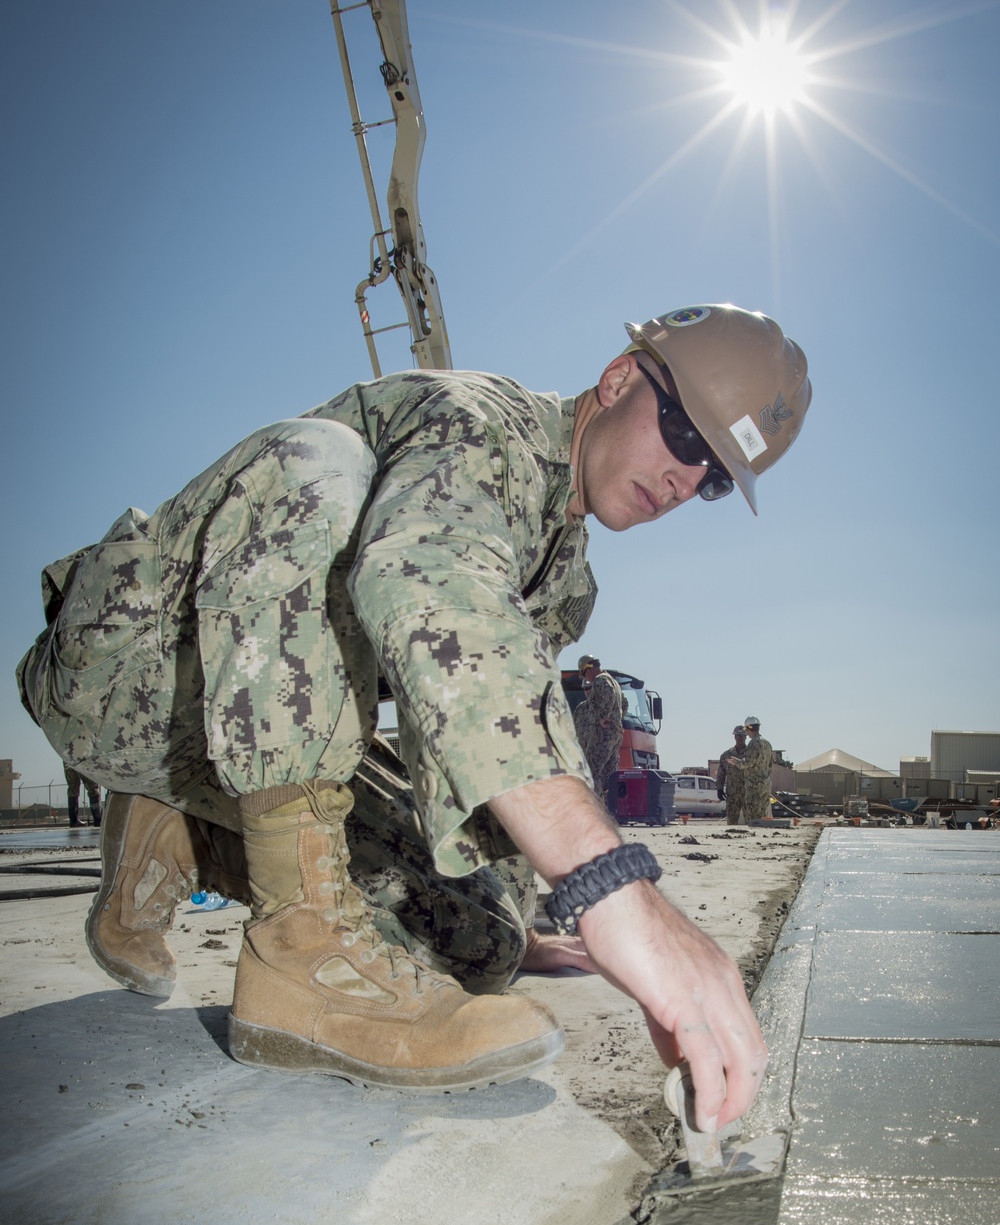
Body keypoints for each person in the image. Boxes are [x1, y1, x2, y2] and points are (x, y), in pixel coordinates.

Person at [16, 302, 810, 1130]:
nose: (686, 480)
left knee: (479, 944)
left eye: (713, 478)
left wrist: (530, 914)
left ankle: (176, 822)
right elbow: (430, 578)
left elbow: (477, 721)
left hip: (251, 733)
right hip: (132, 674)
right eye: (685, 436)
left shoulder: (566, 577)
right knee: (313, 461)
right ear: (618, 380)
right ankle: (300, 948)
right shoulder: (477, 424)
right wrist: (613, 890)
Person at [572, 655, 623, 812]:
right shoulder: (613, 681)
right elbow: (624, 704)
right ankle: (608, 810)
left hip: (603, 733)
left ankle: (592, 811)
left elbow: (605, 698)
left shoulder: (600, 680)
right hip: (614, 733)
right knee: (609, 774)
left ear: (589, 668)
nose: (586, 679)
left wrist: (602, 717)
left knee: (592, 771)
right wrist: (615, 719)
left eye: (584, 673)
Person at [740, 717, 774, 821]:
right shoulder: (767, 744)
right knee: (762, 814)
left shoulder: (753, 743)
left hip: (754, 786)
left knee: (754, 816)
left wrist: (737, 762)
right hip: (765, 784)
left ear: (749, 729)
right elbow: (770, 764)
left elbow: (748, 763)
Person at [716, 726, 748, 824]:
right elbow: (721, 774)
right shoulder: (726, 755)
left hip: (748, 793)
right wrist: (719, 789)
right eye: (738, 735)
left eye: (742, 735)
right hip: (732, 793)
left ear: (746, 736)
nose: (740, 737)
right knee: (731, 821)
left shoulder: (750, 754)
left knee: (751, 821)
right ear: (734, 737)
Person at [64, 762, 103, 827]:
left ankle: (74, 821)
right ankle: (98, 820)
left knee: (72, 789)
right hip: (82, 759)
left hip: (67, 759)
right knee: (93, 788)